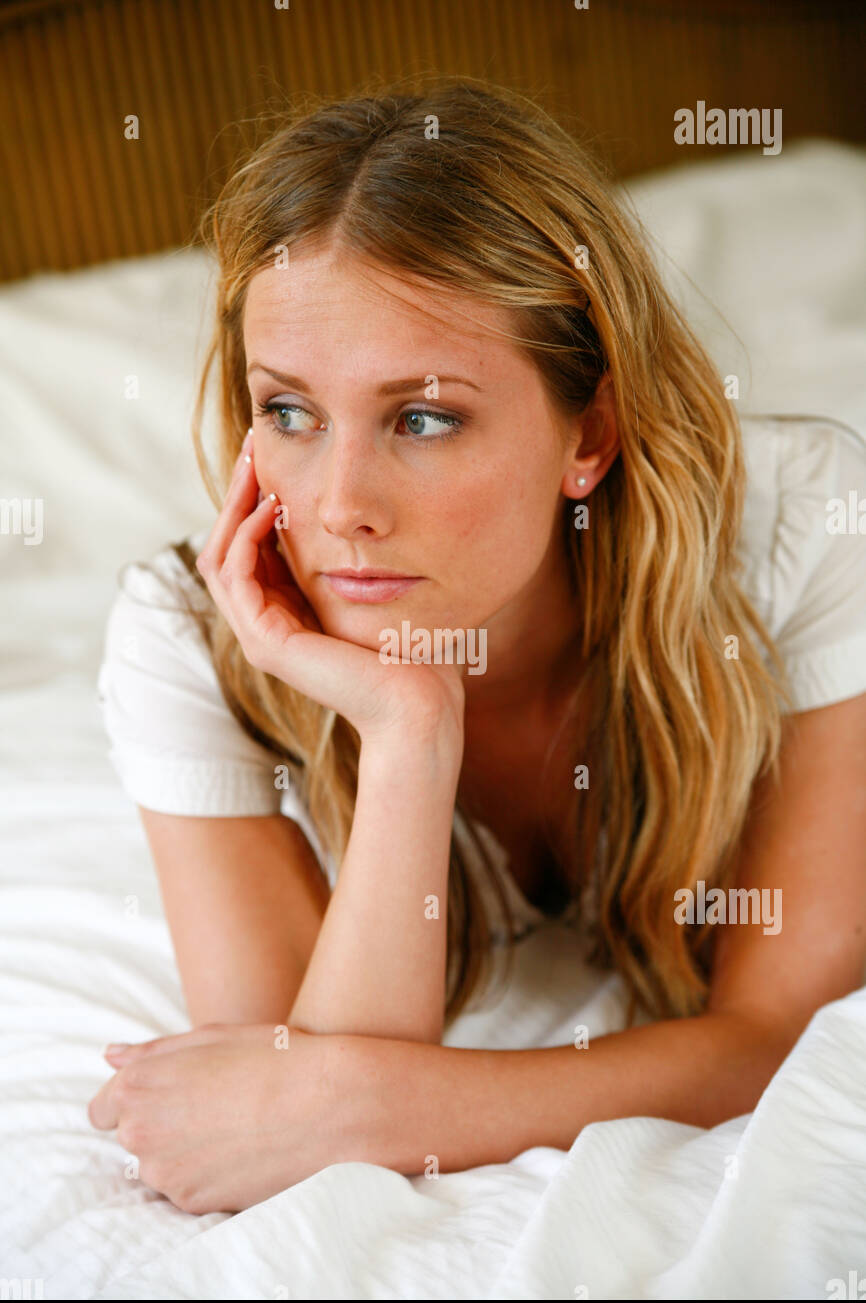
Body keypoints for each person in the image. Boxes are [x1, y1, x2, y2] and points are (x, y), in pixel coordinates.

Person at [88, 78, 866, 1215]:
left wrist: (385, 1104)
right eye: (290, 412)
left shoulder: (801, 532)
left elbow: (766, 1041)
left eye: (423, 417)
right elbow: (285, 1112)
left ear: (586, 434)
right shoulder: (185, 631)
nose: (339, 504)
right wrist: (407, 729)